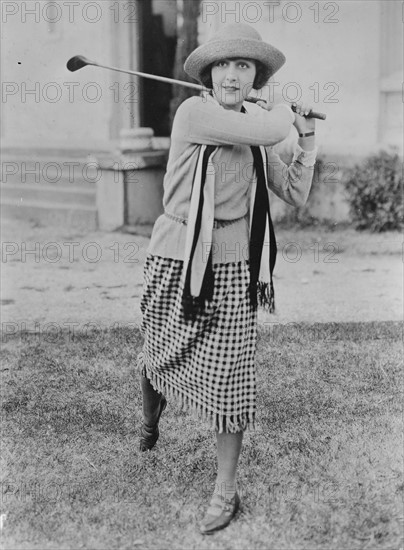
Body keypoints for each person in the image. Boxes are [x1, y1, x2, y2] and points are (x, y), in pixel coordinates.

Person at [137, 23, 317, 534]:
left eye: (244, 65)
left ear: (255, 75)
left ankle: (225, 491)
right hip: (176, 256)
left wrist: (306, 136)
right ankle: (150, 421)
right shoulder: (195, 113)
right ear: (210, 73)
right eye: (224, 64)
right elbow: (264, 129)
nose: (232, 74)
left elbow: (295, 192)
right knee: (157, 354)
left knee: (231, 380)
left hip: (235, 263)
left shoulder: (258, 129)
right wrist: (282, 116)